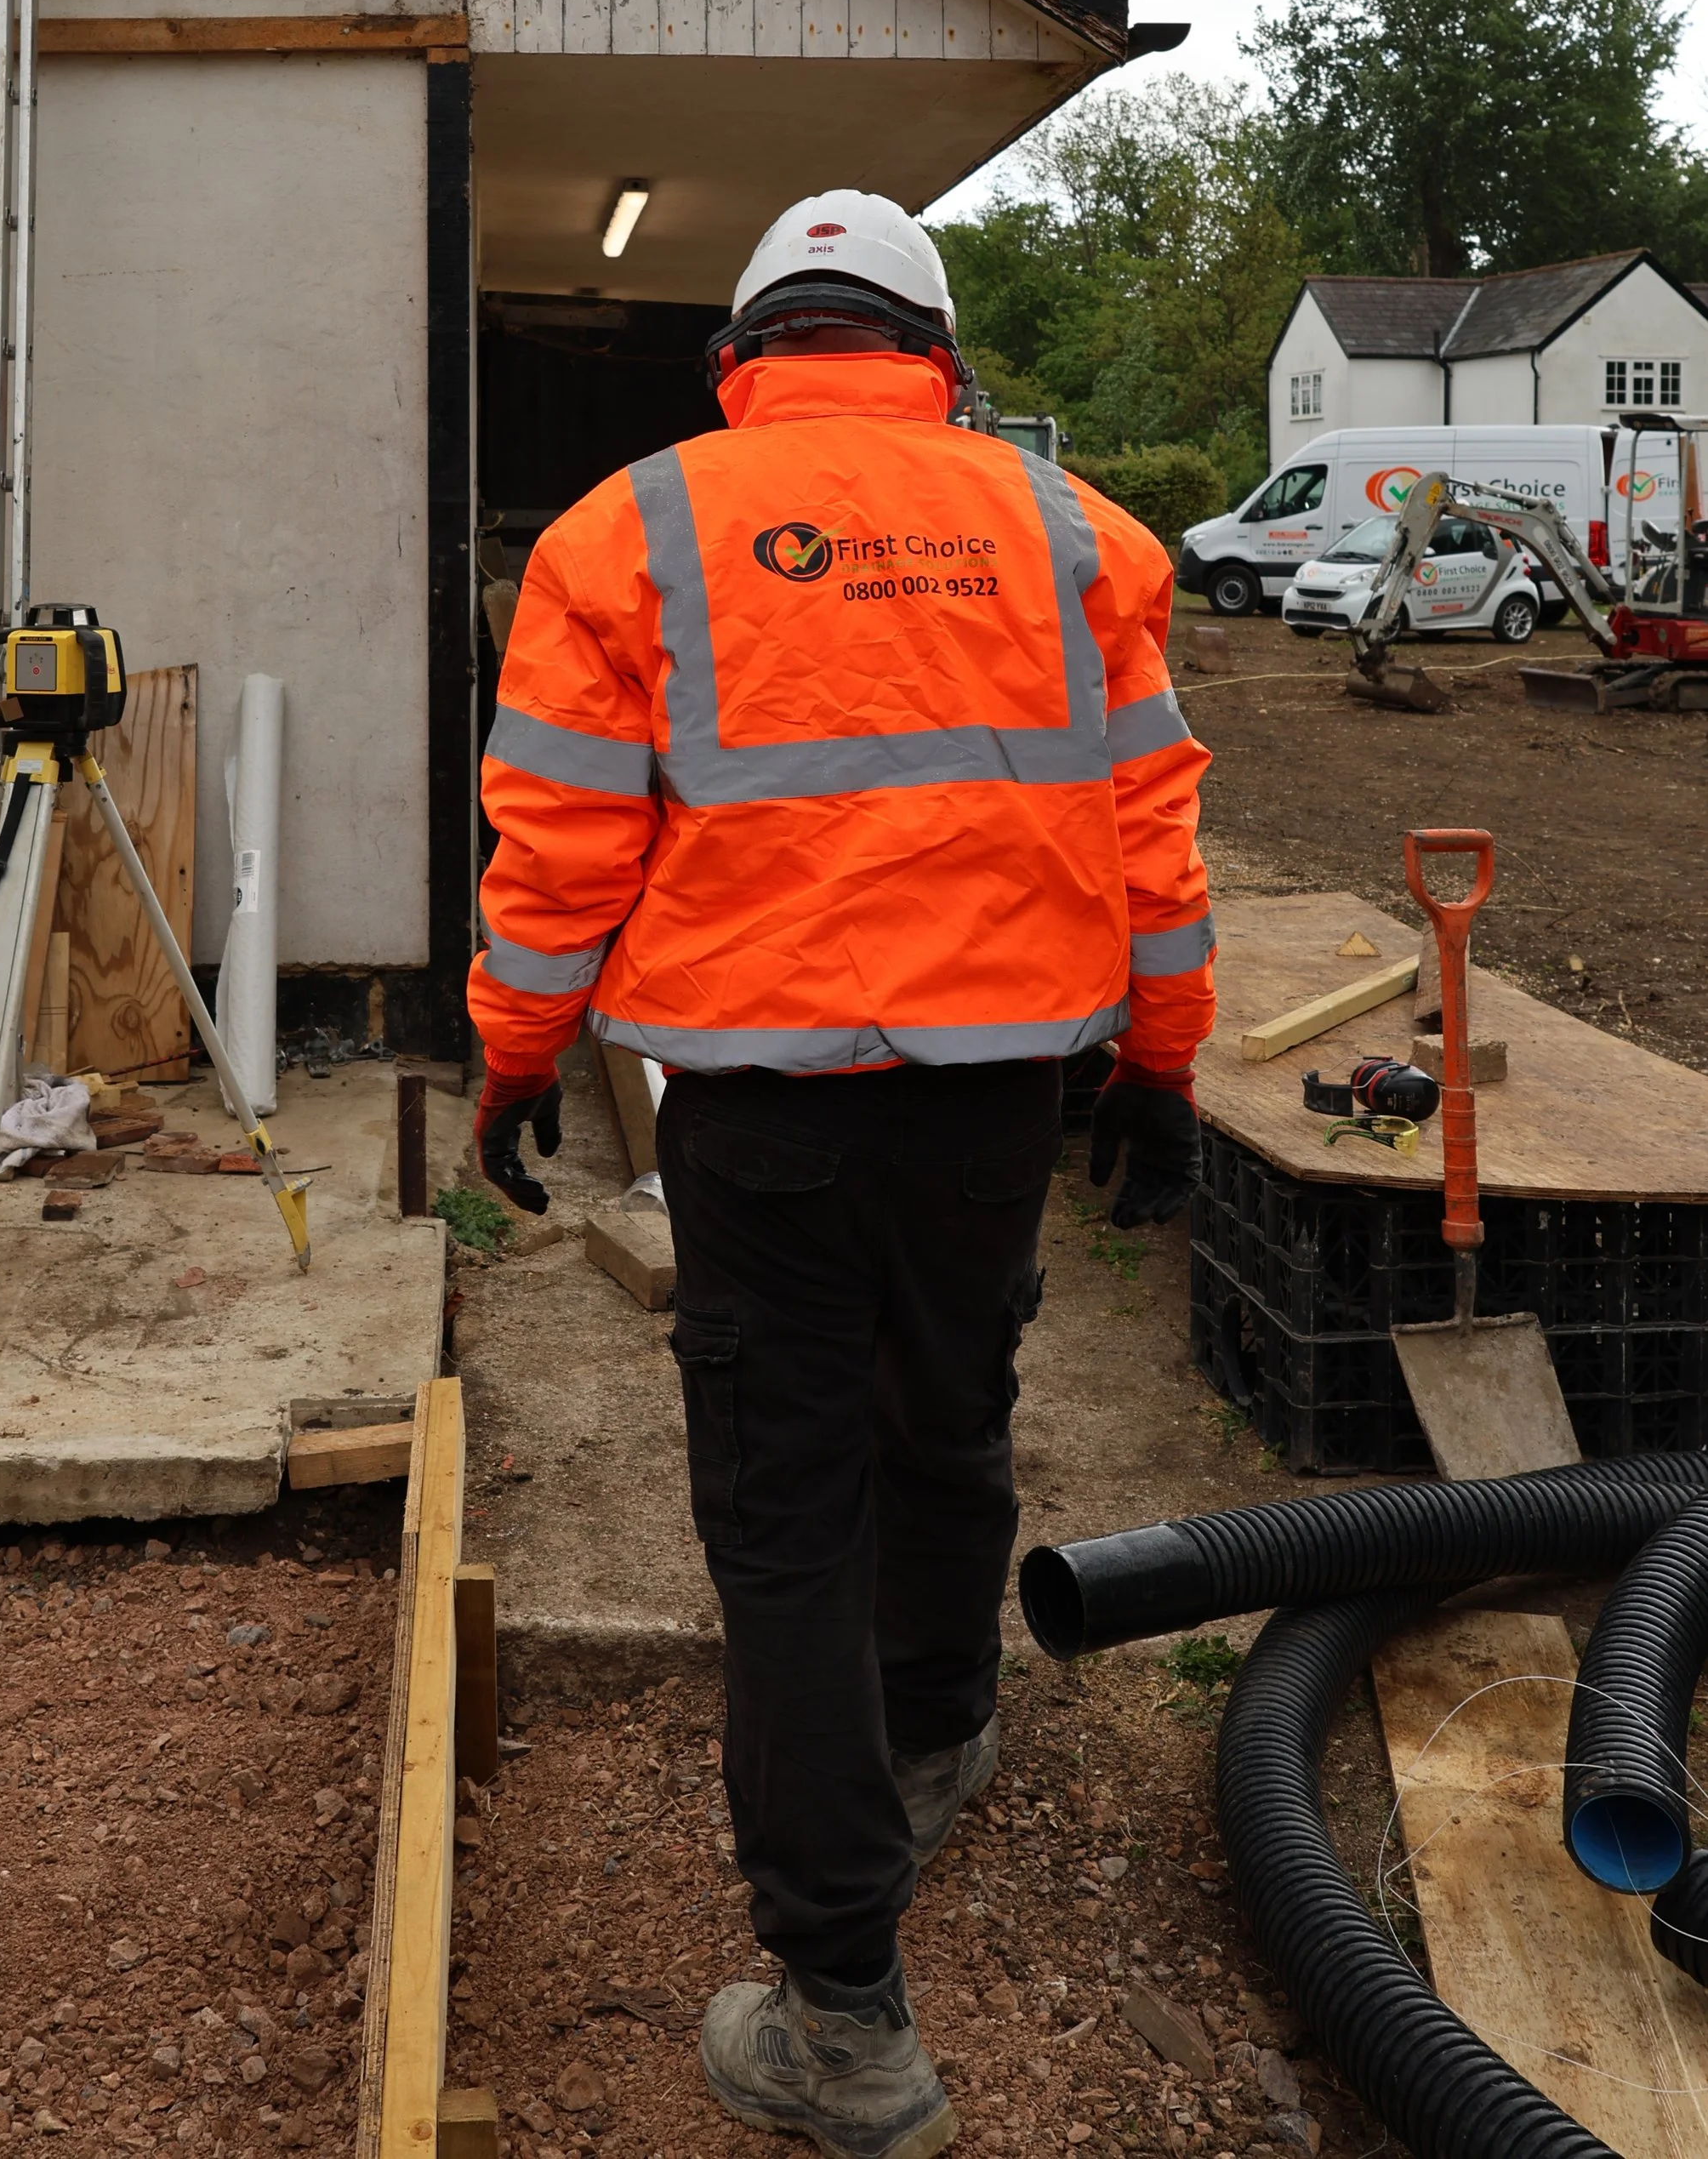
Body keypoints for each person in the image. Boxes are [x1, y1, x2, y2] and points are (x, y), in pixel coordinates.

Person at [468, 191, 1215, 2159]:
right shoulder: (1078, 538)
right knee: (950, 1413)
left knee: (785, 1518)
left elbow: (556, 849)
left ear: (738, 364)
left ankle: (844, 2024)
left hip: (762, 1120)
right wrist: (1163, 1060)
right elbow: (1151, 831)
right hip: (991, 1111)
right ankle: (934, 1721)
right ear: (938, 364)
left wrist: (513, 1059)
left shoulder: (622, 536)